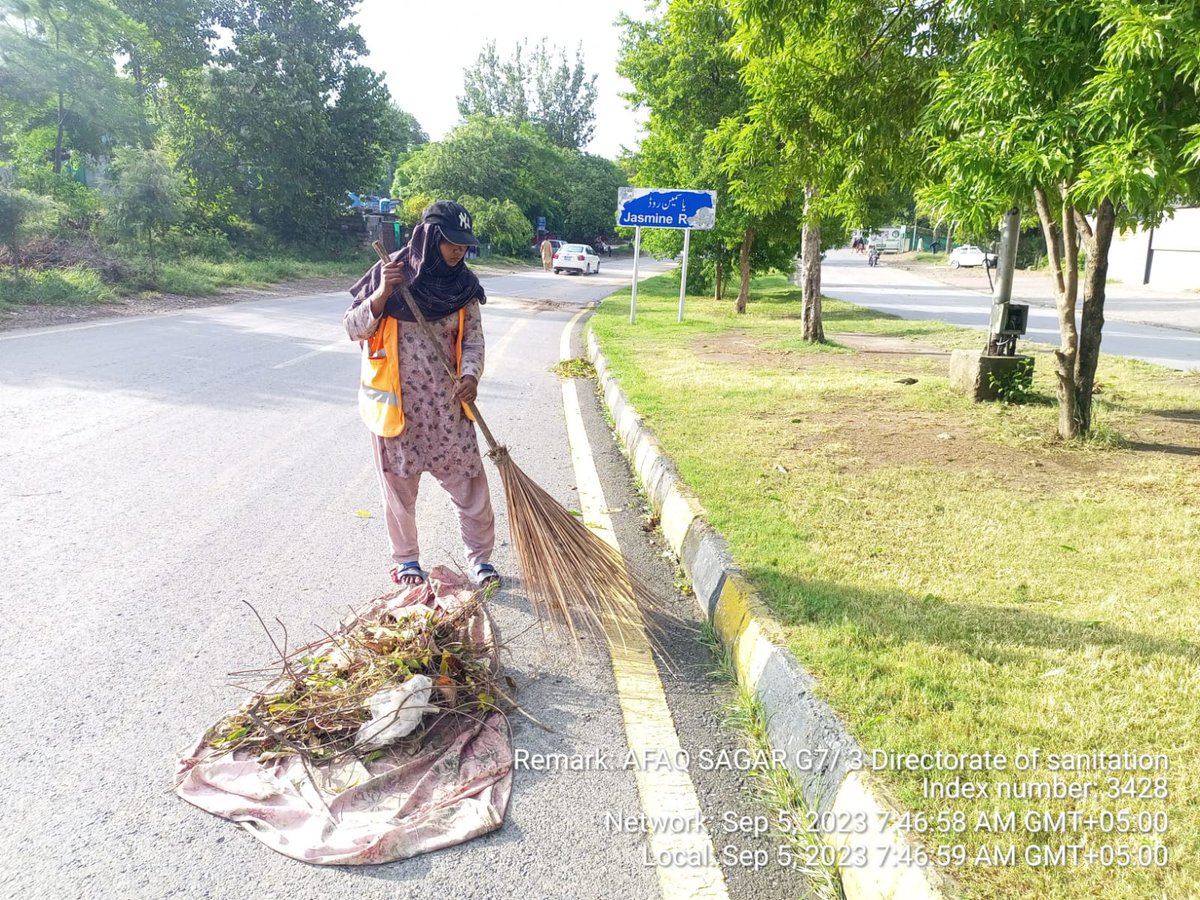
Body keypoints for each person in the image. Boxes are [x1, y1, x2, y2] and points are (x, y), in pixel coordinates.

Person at [345, 200, 499, 588]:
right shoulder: (391, 272)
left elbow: (474, 343)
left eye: (464, 245)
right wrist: (382, 293)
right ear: (431, 237)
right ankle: (408, 561)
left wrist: (470, 376)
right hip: (398, 411)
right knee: (398, 492)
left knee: (470, 486)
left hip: (448, 409)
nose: (459, 251)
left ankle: (480, 561)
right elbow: (353, 328)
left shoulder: (463, 286)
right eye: (451, 243)